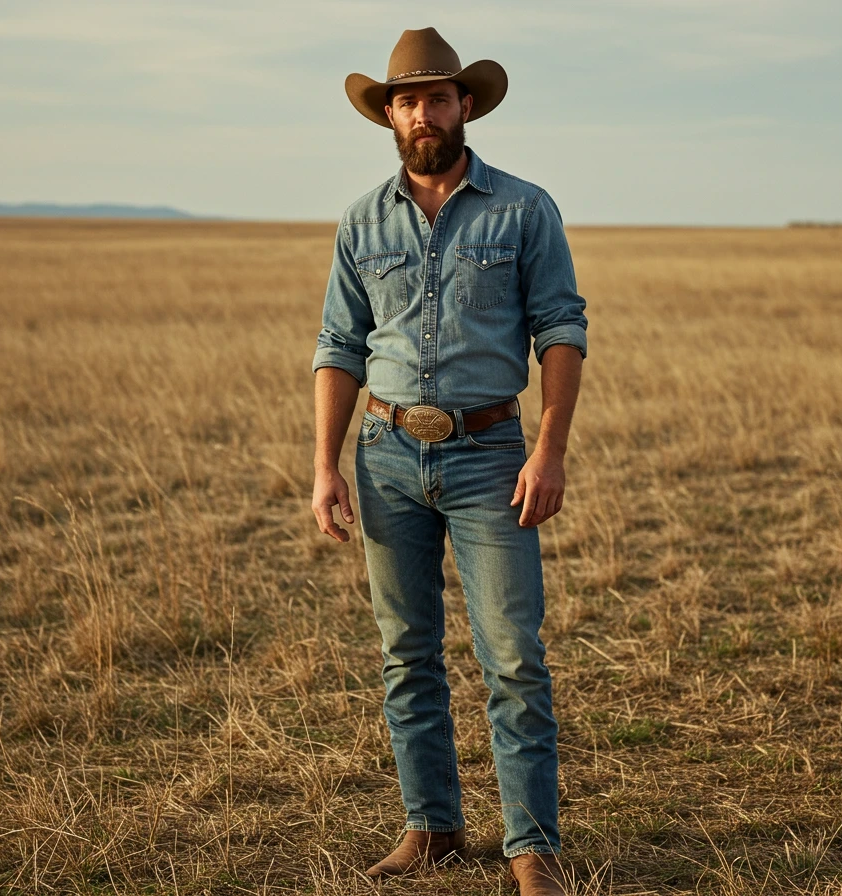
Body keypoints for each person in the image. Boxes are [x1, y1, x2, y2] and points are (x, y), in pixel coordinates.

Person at [309, 26, 587, 896]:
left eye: (437, 98)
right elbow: (338, 346)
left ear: (466, 106)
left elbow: (563, 331)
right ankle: (431, 828)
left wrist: (549, 449)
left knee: (512, 654)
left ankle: (530, 847)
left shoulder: (523, 209)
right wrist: (326, 465)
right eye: (406, 101)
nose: (422, 114)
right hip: (387, 454)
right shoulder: (362, 219)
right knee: (407, 652)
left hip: (492, 457)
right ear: (387, 116)